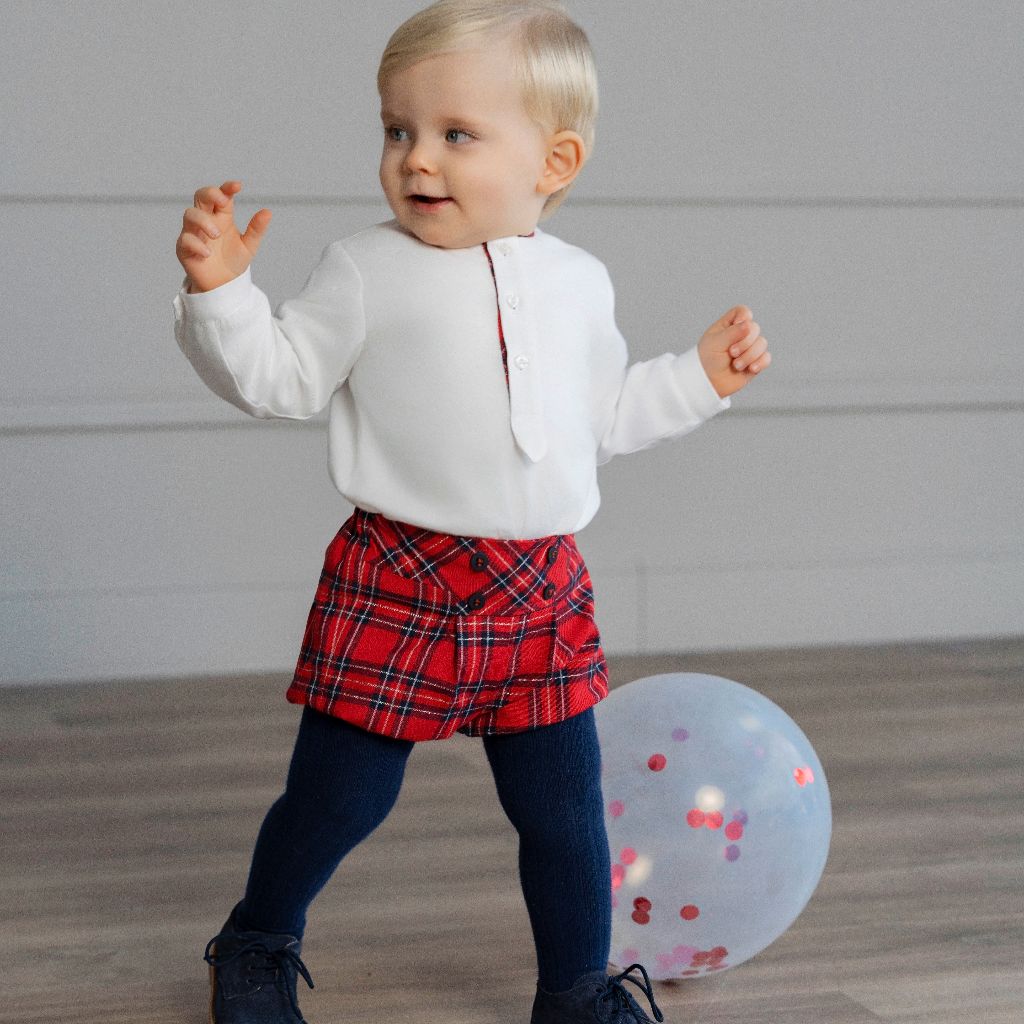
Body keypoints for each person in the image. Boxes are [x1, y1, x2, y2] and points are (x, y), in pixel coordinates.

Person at [172, 1, 771, 1021]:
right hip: (399, 577)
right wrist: (224, 295)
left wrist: (700, 378)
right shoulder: (366, 268)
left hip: (539, 587)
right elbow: (281, 377)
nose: (416, 160)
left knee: (563, 811)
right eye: (397, 130)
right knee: (340, 794)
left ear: (555, 159)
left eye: (456, 134)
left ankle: (577, 989)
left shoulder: (582, 283)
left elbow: (606, 416)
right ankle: (257, 939)